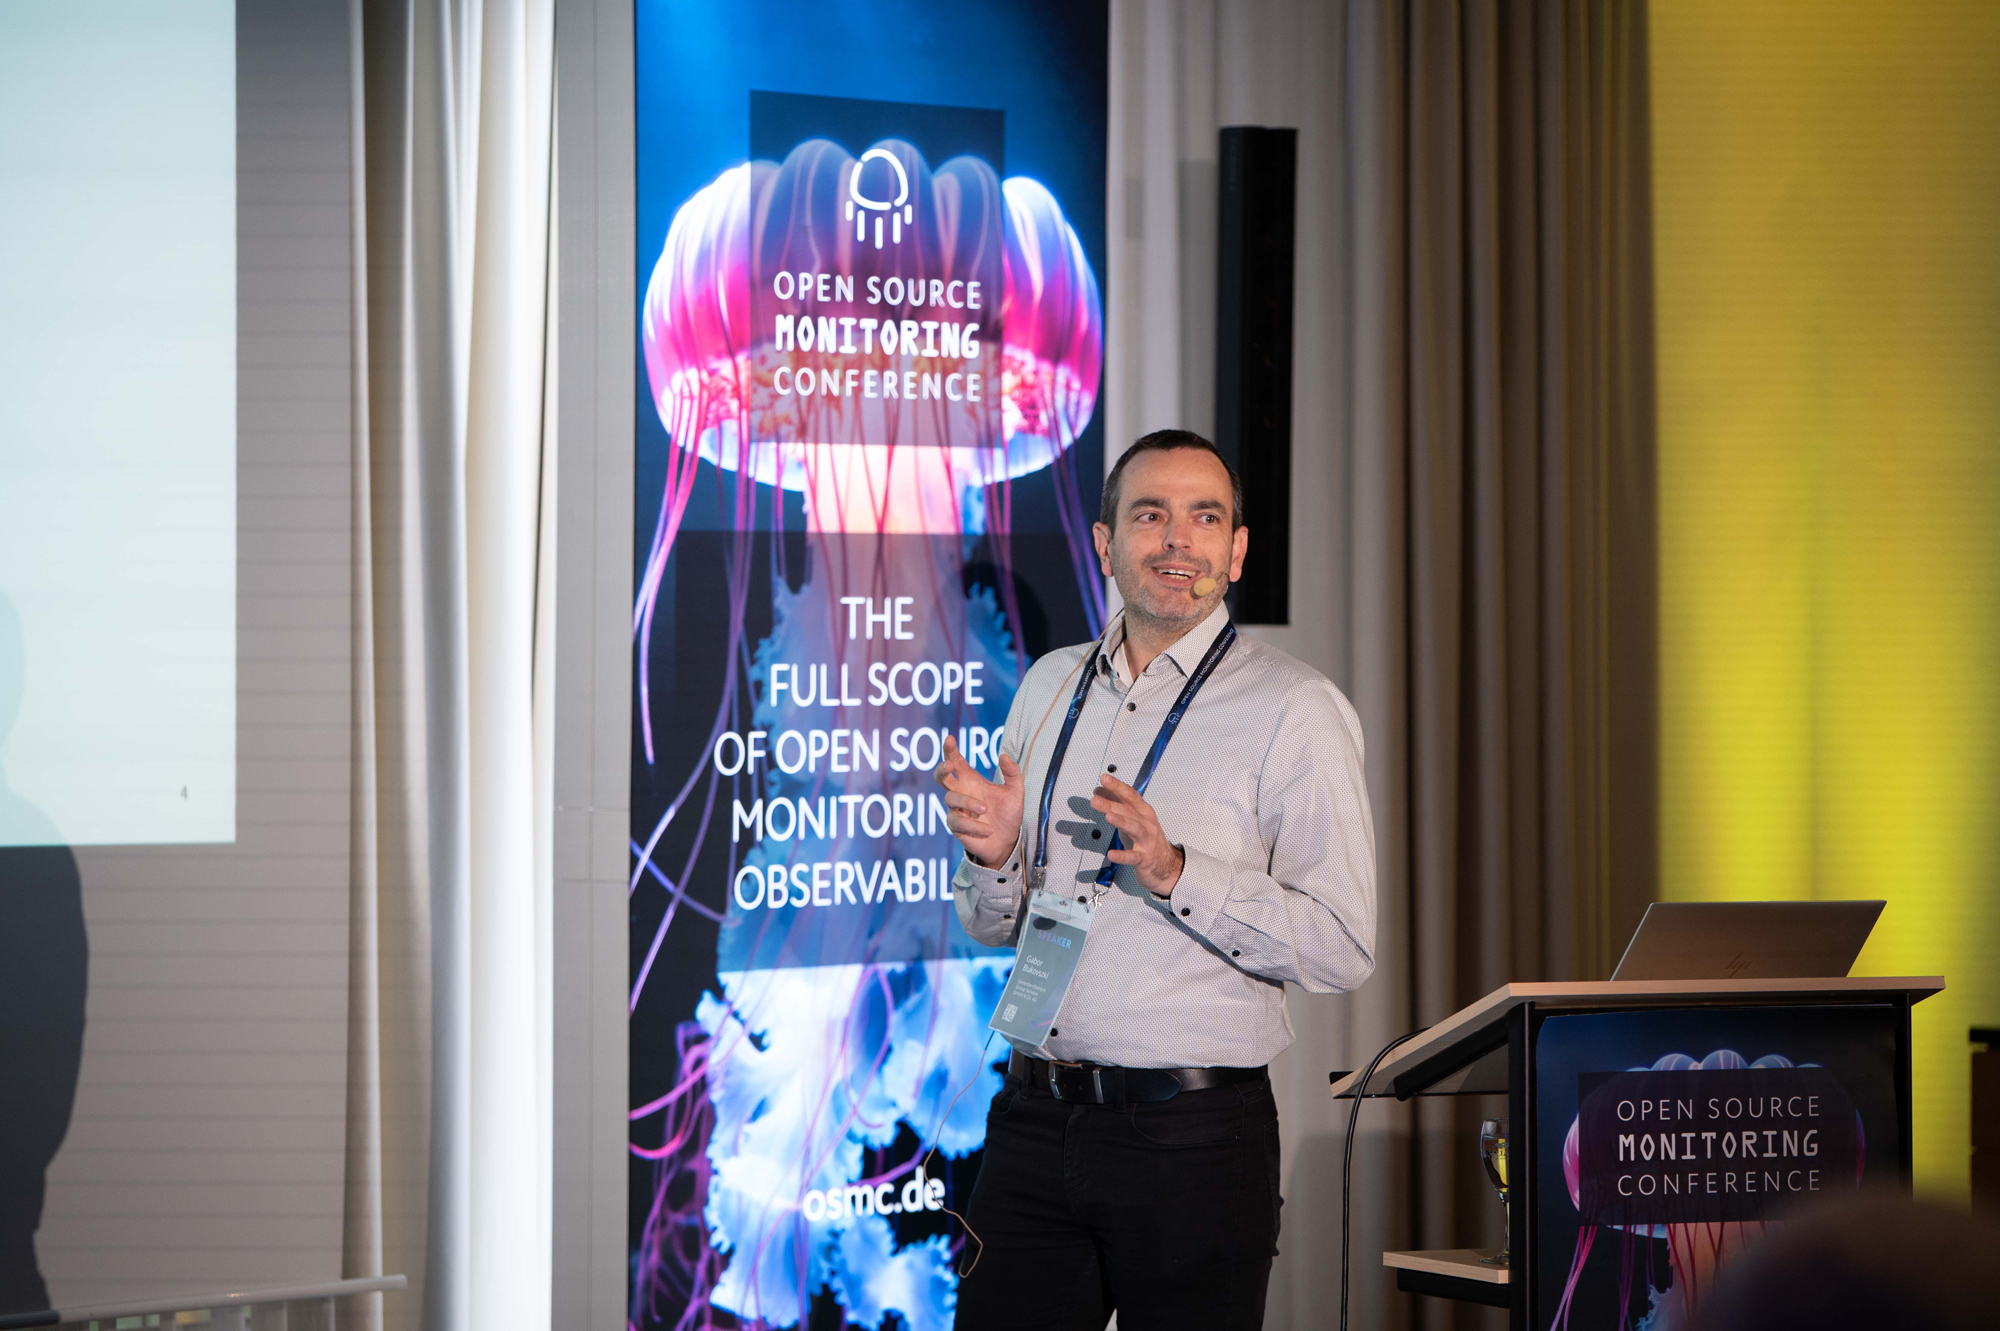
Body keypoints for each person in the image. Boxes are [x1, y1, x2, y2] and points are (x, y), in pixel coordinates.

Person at [934, 429, 1377, 1331]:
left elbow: (1342, 946)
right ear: (1106, 543)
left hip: (1193, 1139)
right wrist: (995, 857)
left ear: (1237, 550)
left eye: (1204, 518)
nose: (1178, 540)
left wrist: (1179, 873)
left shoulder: (1296, 709)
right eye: (1151, 515)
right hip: (1032, 1116)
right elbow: (993, 923)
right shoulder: (1049, 686)